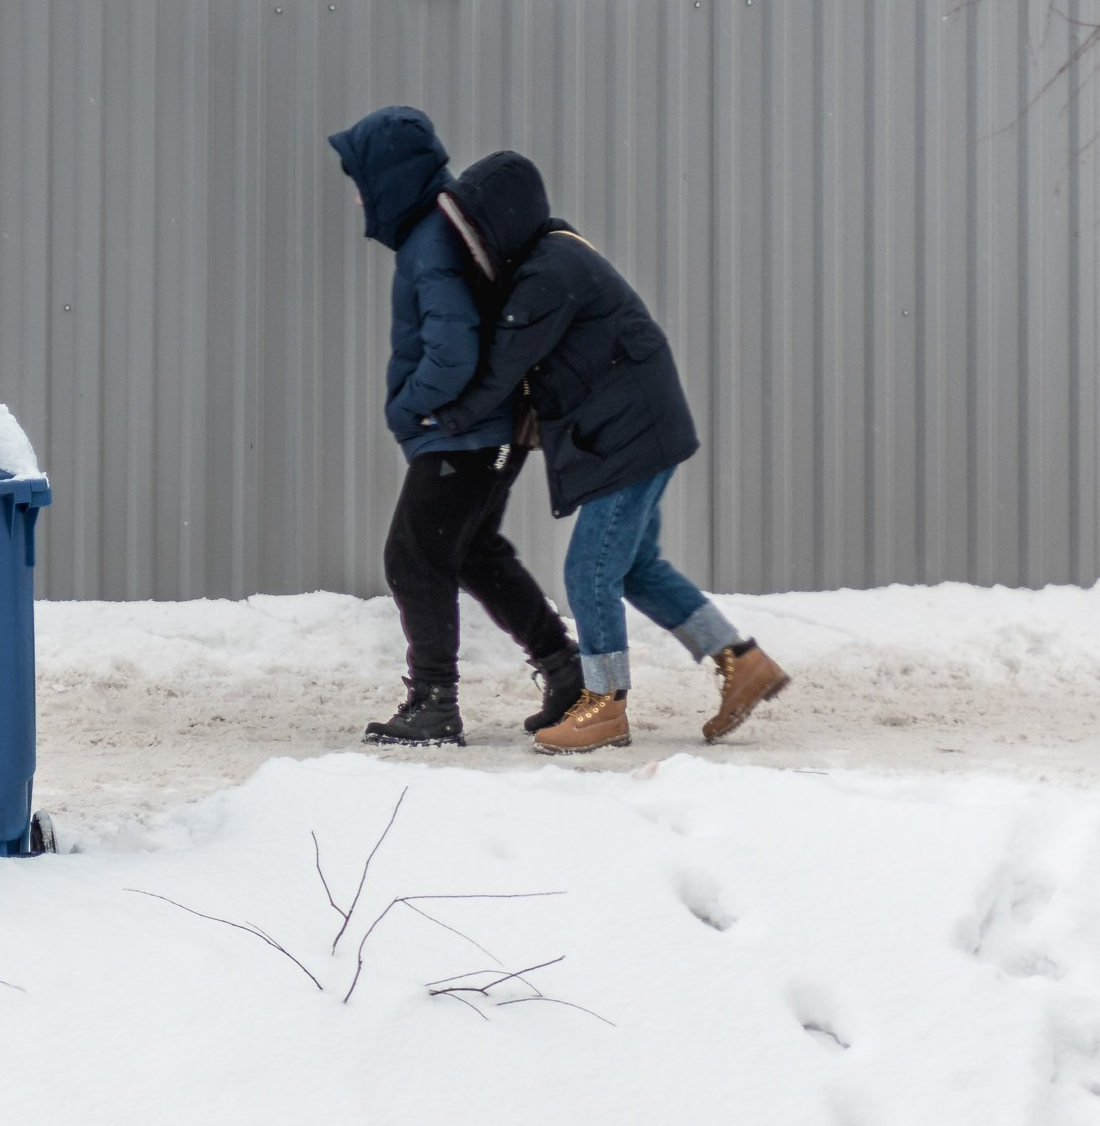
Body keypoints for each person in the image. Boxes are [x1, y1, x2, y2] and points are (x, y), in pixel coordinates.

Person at [428, 149, 790, 753]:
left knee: (589, 569)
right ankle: (740, 661)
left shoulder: (548, 273)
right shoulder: (552, 258)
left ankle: (604, 705)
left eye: (475, 230)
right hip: (636, 429)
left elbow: (501, 369)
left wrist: (442, 414)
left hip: (630, 434)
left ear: (502, 223)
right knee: (635, 567)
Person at [330, 107, 583, 747]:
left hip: (463, 433)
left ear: (391, 177)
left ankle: (434, 703)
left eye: (362, 179)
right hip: (483, 433)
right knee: (473, 552)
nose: (358, 194)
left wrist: (411, 404)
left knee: (412, 558)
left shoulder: (432, 242)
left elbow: (453, 349)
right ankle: (566, 672)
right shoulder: (440, 229)